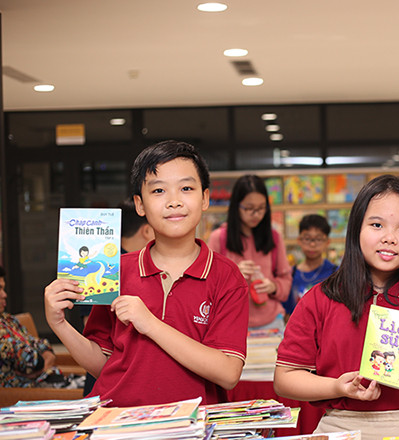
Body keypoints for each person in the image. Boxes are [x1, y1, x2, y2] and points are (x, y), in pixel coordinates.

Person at [44, 140, 249, 407]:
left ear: (205, 198)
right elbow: (104, 365)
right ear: (140, 205)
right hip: (118, 419)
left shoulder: (226, 276)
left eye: (186, 188)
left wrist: (150, 323)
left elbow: (228, 373)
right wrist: (59, 324)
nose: (174, 202)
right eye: (159, 190)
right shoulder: (115, 270)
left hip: (193, 424)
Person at [273, 175, 399, 440]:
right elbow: (284, 379)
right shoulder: (320, 298)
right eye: (377, 225)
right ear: (356, 228)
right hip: (341, 428)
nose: (389, 238)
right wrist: (337, 387)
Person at [83, 196, 154, 396]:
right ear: (147, 230)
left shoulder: (101, 266)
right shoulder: (106, 268)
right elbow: (96, 338)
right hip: (111, 381)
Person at [209, 175, 291, 332]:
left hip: (271, 322)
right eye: (249, 208)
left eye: (261, 208)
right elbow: (208, 286)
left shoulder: (274, 237)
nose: (256, 214)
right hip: (231, 323)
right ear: (236, 206)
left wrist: (273, 286)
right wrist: (232, 273)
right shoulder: (219, 238)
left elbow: (286, 281)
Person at [0, 266, 64, 388]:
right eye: (0, 289)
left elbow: (43, 345)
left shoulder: (9, 319)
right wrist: (42, 364)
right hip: (26, 392)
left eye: (4, 288)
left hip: (50, 382)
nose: (5, 294)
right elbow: (31, 361)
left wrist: (43, 363)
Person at [282, 214, 337, 316]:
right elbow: (288, 313)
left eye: (318, 239)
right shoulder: (290, 274)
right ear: (299, 240)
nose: (312, 244)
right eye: (307, 239)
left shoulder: (336, 273)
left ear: (327, 242)